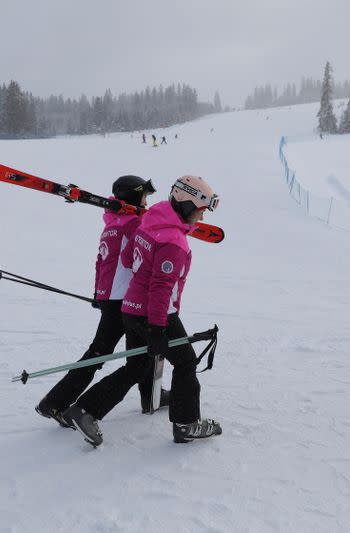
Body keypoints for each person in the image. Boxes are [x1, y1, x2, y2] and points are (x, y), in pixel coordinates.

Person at [64, 176, 222, 446]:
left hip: (131, 309)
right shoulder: (173, 241)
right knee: (185, 362)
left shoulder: (150, 222)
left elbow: (128, 259)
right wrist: (159, 328)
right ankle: (186, 423)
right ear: (185, 205)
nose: (202, 215)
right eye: (200, 209)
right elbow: (161, 287)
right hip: (155, 313)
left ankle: (85, 410)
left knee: (137, 366)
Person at [35, 175, 169, 428]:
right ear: (133, 198)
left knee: (102, 352)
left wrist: (100, 295)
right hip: (127, 300)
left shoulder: (112, 225)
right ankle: (137, 399)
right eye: (144, 197)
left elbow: (101, 263)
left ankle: (55, 402)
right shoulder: (133, 226)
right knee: (140, 354)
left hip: (111, 297)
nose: (147, 201)